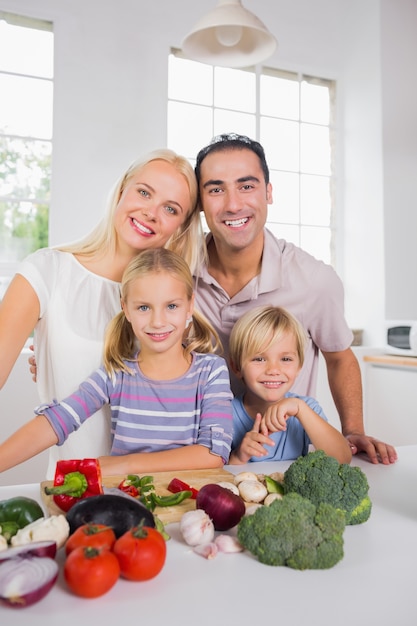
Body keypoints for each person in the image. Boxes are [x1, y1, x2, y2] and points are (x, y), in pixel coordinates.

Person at [0, 149, 206, 478]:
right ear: (122, 189)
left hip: (159, 493)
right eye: (143, 192)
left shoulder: (175, 303)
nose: (151, 212)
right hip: (74, 489)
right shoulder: (47, 270)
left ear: (181, 226)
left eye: (170, 208)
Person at [193, 133, 397, 465]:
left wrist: (353, 429)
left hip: (284, 456)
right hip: (205, 454)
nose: (232, 204)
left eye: (247, 186)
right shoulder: (176, 274)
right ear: (200, 201)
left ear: (269, 192)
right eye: (216, 189)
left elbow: (340, 357)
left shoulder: (314, 281)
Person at [0, 248, 233, 477]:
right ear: (126, 309)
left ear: (190, 306)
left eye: (171, 306)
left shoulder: (211, 371)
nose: (158, 321)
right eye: (143, 307)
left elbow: (213, 454)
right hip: (125, 505)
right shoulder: (116, 374)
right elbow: (57, 420)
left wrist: (125, 464)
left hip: (188, 507)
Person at [228, 305, 352, 465]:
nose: (273, 370)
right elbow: (219, 478)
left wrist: (301, 409)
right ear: (237, 367)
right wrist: (238, 457)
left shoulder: (307, 408)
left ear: (299, 366)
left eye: (285, 359)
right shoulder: (225, 413)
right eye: (259, 359)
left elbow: (342, 458)